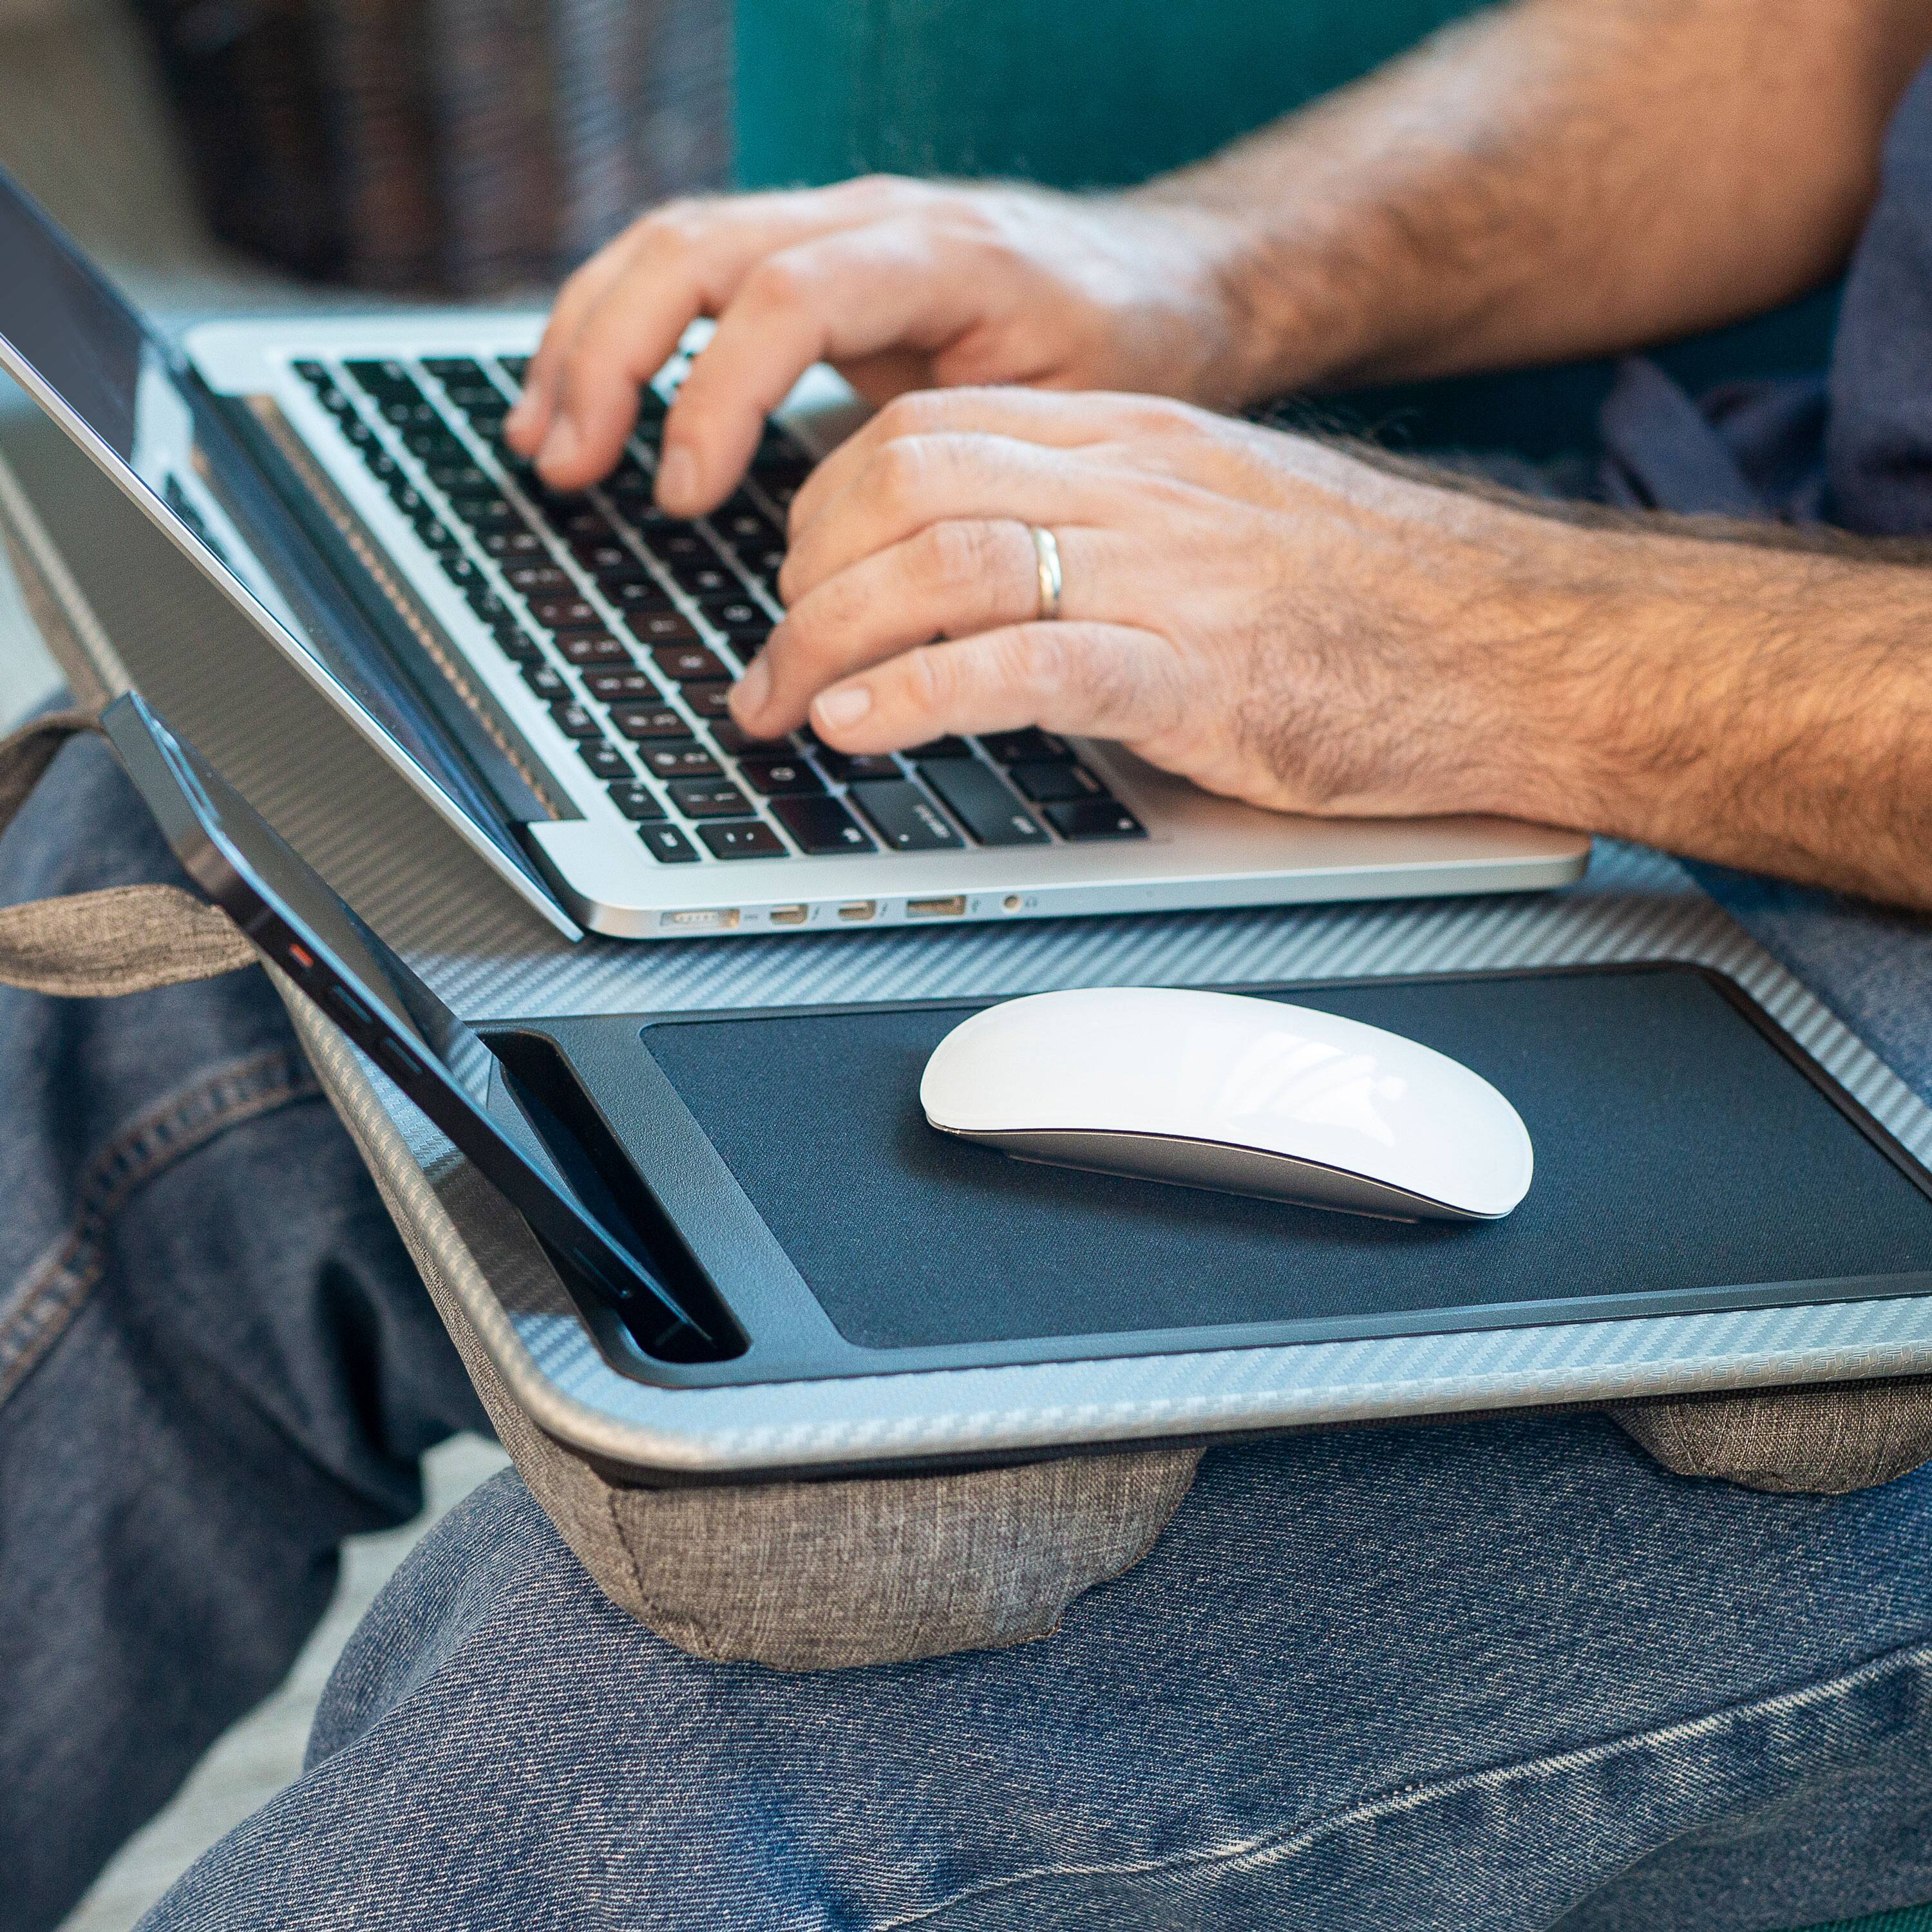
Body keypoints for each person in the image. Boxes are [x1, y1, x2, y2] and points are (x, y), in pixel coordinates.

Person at [11, 0, 1932, 1925]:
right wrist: (1200, 274)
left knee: (696, 1713)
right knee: (208, 924)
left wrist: (1508, 638)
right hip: (1772, 570)